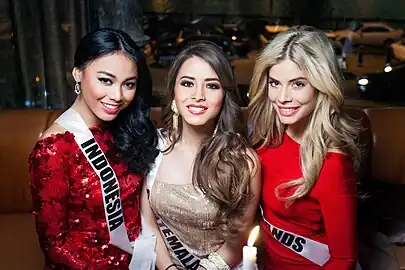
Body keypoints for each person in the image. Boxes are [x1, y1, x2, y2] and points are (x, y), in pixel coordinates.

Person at [29, 28, 158, 269]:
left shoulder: (127, 128)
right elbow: (54, 245)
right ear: (78, 73)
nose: (117, 95)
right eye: (105, 80)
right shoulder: (55, 149)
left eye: (128, 84)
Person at [141, 41, 261, 270]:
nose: (198, 95)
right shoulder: (153, 146)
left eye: (212, 86)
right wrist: (168, 268)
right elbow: (148, 222)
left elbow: (236, 242)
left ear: (225, 96)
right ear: (174, 91)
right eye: (187, 83)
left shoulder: (244, 161)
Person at [248, 26, 361, 270]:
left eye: (298, 84)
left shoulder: (332, 165)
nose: (282, 97)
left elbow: (344, 260)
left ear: (321, 85)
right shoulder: (266, 140)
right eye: (275, 83)